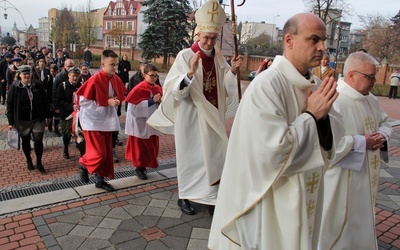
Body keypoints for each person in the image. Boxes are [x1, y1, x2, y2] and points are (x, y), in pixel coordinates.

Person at [208, 13, 341, 249]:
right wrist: (311, 117)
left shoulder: (317, 85)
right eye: (314, 39)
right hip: (273, 199)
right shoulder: (267, 85)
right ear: (289, 40)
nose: (322, 47)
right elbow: (271, 152)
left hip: (306, 194)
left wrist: (320, 119)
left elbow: (333, 141)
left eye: (324, 40)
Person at [147, 0, 240, 215]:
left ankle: (210, 198)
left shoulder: (218, 58)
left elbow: (226, 86)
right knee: (192, 158)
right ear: (197, 35)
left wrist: (233, 71)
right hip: (191, 117)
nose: (209, 42)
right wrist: (189, 73)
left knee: (213, 157)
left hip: (213, 115)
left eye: (213, 38)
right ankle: (185, 196)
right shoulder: (185, 56)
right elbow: (174, 91)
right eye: (206, 37)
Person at [318, 52, 393, 249]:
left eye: (374, 76)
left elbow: (385, 122)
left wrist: (382, 136)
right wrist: (361, 142)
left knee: (362, 221)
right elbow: (327, 146)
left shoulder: (371, 100)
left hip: (367, 178)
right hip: (341, 181)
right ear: (351, 75)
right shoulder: (334, 100)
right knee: (339, 228)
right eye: (369, 77)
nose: (374, 81)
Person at [75, 49, 126, 191]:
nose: (115, 68)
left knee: (107, 154)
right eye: (112, 65)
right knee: (99, 154)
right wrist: (106, 101)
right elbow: (83, 101)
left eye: (116, 64)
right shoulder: (94, 79)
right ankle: (83, 164)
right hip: (93, 122)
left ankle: (99, 180)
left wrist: (115, 101)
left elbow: (119, 94)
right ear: (103, 64)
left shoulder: (115, 78)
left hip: (107, 121)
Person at [6, 65, 50, 173]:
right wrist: (11, 122)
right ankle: (29, 160)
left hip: (37, 119)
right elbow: (10, 105)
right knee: (25, 141)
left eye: (28, 73)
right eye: (24, 74)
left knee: (38, 140)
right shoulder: (14, 88)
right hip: (22, 120)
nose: (27, 76)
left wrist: (48, 115)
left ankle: (39, 162)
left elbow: (45, 100)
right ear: (19, 75)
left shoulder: (37, 85)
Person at [125, 64, 162, 180]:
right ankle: (139, 168)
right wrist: (151, 101)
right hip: (140, 123)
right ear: (144, 75)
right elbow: (133, 109)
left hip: (152, 121)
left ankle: (145, 166)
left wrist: (160, 101)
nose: (154, 78)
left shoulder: (157, 88)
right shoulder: (138, 89)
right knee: (140, 148)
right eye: (151, 75)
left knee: (151, 146)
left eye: (156, 76)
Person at [55, 67, 83, 159]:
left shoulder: (81, 85)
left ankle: (80, 148)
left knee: (79, 132)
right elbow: (59, 101)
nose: (75, 78)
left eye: (77, 76)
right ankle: (66, 148)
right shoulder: (63, 86)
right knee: (66, 134)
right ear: (69, 75)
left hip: (79, 115)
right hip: (67, 115)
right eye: (73, 76)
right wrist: (71, 106)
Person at [52, 59, 75, 136]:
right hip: (62, 102)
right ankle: (57, 129)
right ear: (65, 66)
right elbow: (54, 91)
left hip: (72, 102)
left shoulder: (76, 75)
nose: (70, 68)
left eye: (72, 66)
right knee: (60, 118)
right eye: (69, 66)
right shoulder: (60, 76)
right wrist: (56, 106)